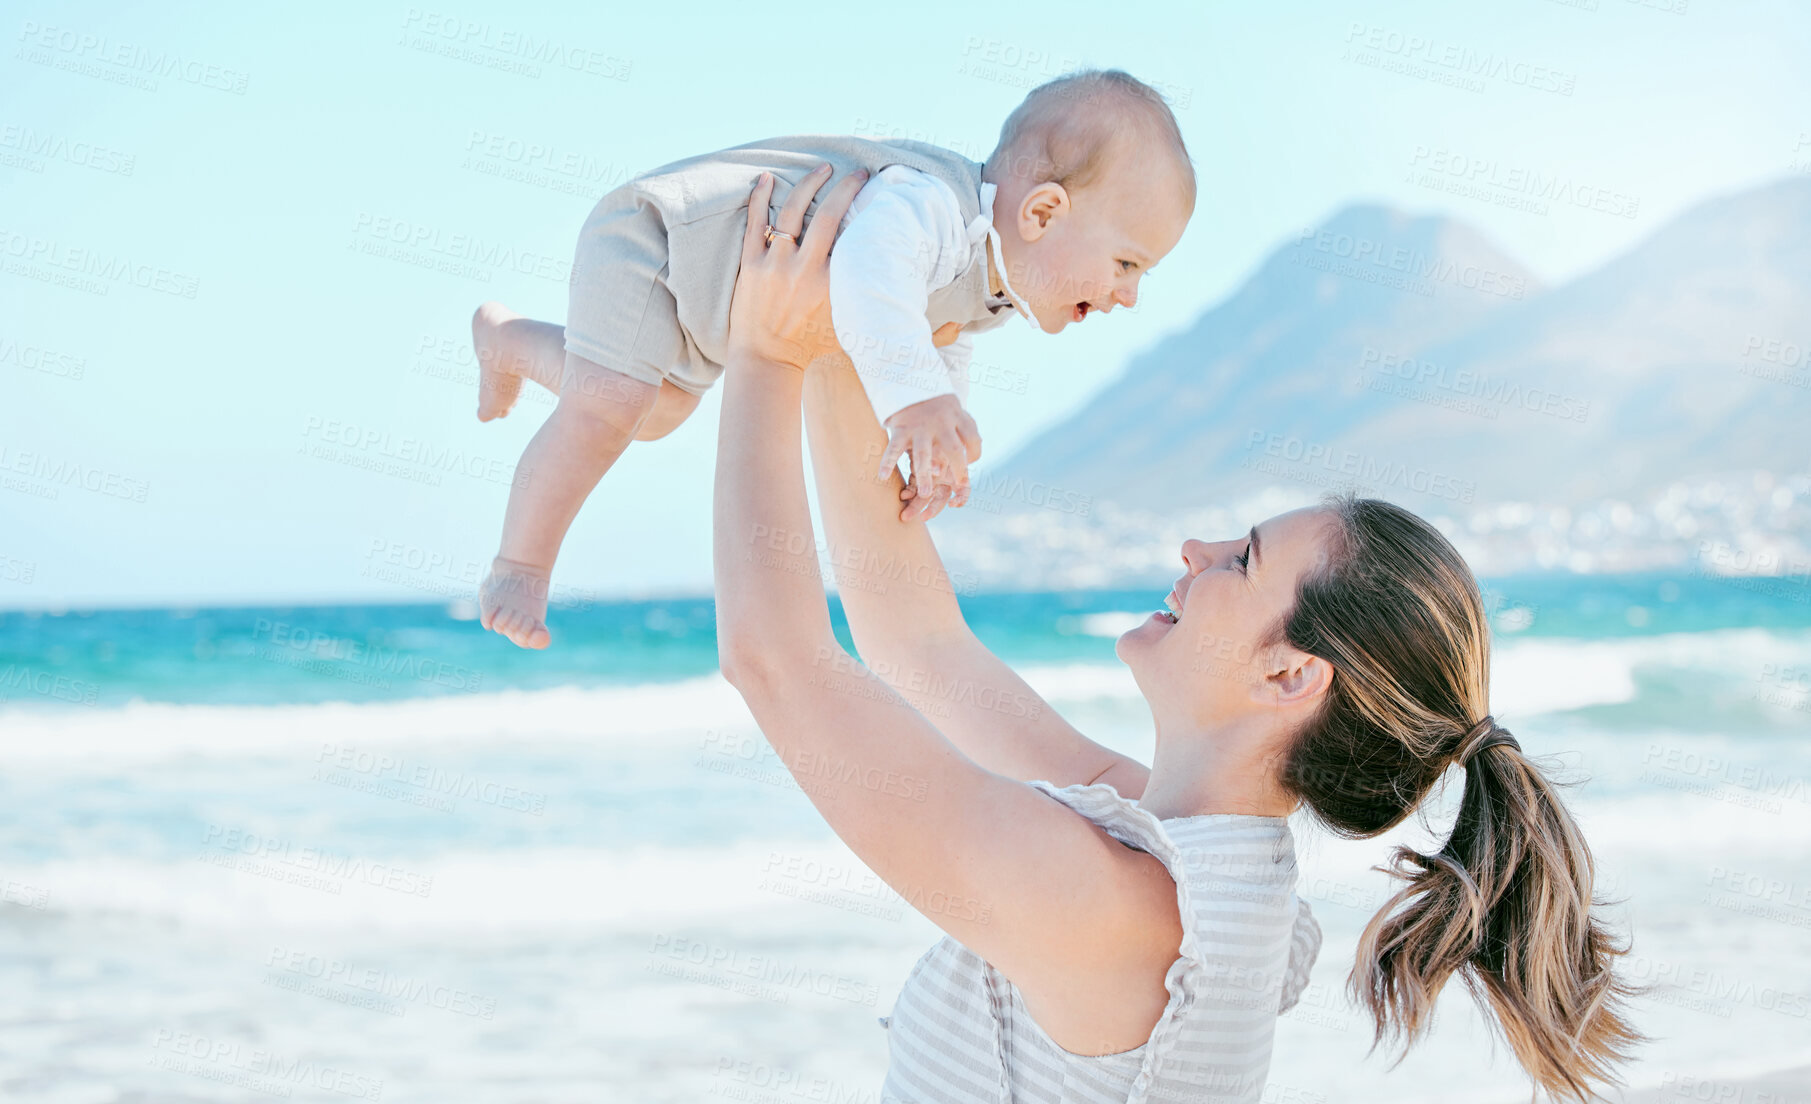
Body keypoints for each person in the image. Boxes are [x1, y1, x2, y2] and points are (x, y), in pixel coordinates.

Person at [711, 168, 1644, 1102]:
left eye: (1240, 562)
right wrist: (853, 337)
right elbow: (915, 643)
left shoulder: (1121, 911)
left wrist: (764, 358)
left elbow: (774, 662)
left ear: (1288, 676)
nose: (1195, 549)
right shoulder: (1195, 853)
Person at [465, 69, 1194, 649]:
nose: (1128, 295)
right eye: (1126, 263)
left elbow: (934, 333)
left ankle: (510, 340)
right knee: (609, 407)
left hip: (718, 302)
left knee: (651, 413)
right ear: (1040, 214)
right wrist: (914, 404)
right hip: (660, 241)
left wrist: (932, 441)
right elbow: (871, 273)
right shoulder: (931, 205)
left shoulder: (992, 281)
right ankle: (519, 567)